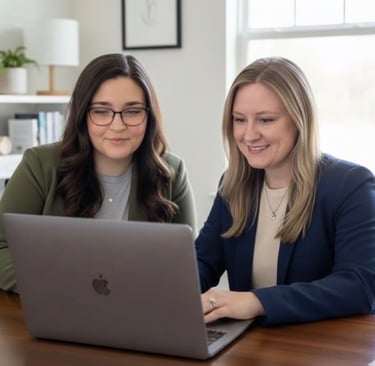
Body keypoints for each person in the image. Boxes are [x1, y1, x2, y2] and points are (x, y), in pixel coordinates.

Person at [197, 56, 375, 326]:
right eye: (239, 120)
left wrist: (256, 301)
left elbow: (360, 285)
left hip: (323, 349)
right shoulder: (233, 184)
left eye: (266, 120)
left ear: (299, 120)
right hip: (252, 347)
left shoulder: (351, 186)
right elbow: (202, 262)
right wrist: (171, 290)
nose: (249, 135)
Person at [0, 53, 197, 292]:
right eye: (101, 111)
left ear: (149, 117)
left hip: (139, 315)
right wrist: (67, 285)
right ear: (83, 115)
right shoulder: (39, 165)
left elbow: (185, 266)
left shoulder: (172, 173)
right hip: (56, 312)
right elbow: (3, 248)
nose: (117, 126)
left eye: (132, 111)